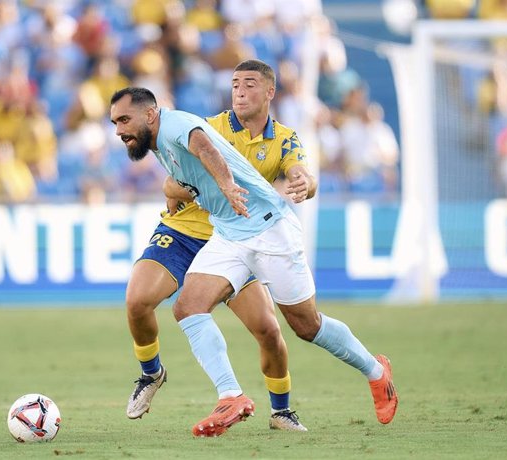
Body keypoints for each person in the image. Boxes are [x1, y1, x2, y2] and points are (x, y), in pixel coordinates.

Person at [110, 85, 399, 437]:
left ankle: (375, 371)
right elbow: (186, 173)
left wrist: (231, 185)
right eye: (115, 123)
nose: (119, 130)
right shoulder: (166, 139)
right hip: (228, 232)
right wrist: (180, 191)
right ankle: (230, 396)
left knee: (305, 326)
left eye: (124, 120)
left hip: (268, 229)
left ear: (151, 114)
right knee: (188, 307)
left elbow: (204, 146)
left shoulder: (176, 124)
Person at [122, 60, 316, 433]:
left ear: (268, 93)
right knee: (137, 300)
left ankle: (281, 411)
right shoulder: (207, 128)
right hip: (186, 231)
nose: (240, 93)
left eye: (249, 86)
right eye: (235, 86)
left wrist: (304, 183)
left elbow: (302, 173)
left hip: (233, 239)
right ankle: (151, 373)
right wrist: (195, 186)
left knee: (268, 331)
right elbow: (171, 183)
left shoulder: (283, 138)